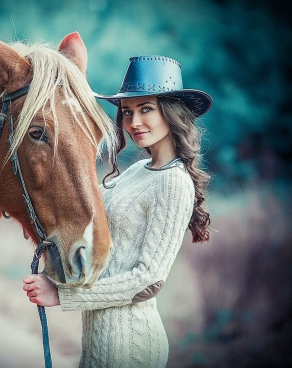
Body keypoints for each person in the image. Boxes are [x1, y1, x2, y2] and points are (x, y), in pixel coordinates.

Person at [22, 55, 212, 367]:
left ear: (171, 112)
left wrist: (63, 296)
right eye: (127, 112)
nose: (134, 122)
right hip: (100, 343)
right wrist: (57, 266)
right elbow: (100, 241)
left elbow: (147, 280)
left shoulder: (174, 183)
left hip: (130, 347)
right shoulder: (138, 170)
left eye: (146, 109)